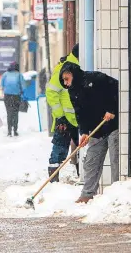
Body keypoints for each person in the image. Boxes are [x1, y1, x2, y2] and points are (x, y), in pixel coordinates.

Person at [60, 61, 119, 204]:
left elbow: (117, 89)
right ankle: (87, 194)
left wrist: (111, 110)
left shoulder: (96, 78)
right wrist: (84, 132)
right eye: (63, 81)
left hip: (112, 125)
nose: (66, 84)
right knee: (91, 161)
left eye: (66, 79)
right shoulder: (72, 91)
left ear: (72, 73)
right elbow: (80, 113)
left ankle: (118, 194)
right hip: (96, 130)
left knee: (116, 160)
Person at [45, 44, 80, 182]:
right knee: (59, 148)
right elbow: (51, 91)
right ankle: (54, 180)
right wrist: (60, 116)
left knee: (82, 147)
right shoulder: (65, 68)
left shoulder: (80, 65)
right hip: (65, 118)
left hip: (79, 116)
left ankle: (81, 174)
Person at [1, 63, 26, 137]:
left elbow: (2, 84)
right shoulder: (19, 75)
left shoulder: (5, 74)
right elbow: (23, 86)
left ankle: (9, 131)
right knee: (15, 113)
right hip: (16, 96)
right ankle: (15, 131)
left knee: (9, 113)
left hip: (7, 96)